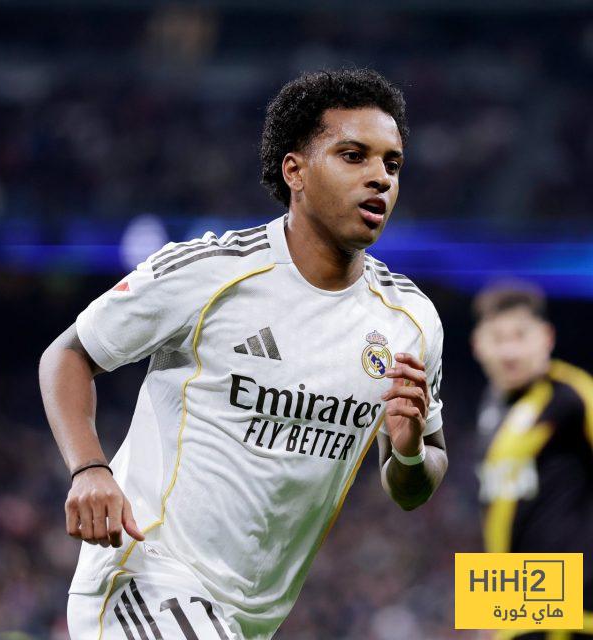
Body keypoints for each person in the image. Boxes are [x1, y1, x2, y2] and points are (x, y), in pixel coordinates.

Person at [39, 68, 448, 640]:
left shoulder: (409, 321)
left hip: (252, 618)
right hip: (146, 576)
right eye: (353, 156)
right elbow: (68, 354)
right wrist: (89, 469)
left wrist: (406, 453)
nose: (379, 177)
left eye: (393, 164)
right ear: (294, 170)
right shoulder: (211, 272)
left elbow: (415, 483)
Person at [472, 282, 593, 640]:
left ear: (547, 337)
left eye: (521, 335)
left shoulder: (573, 396)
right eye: (497, 338)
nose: (509, 351)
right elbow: (502, 514)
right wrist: (492, 612)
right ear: (477, 344)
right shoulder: (490, 409)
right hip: (519, 612)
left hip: (574, 616)